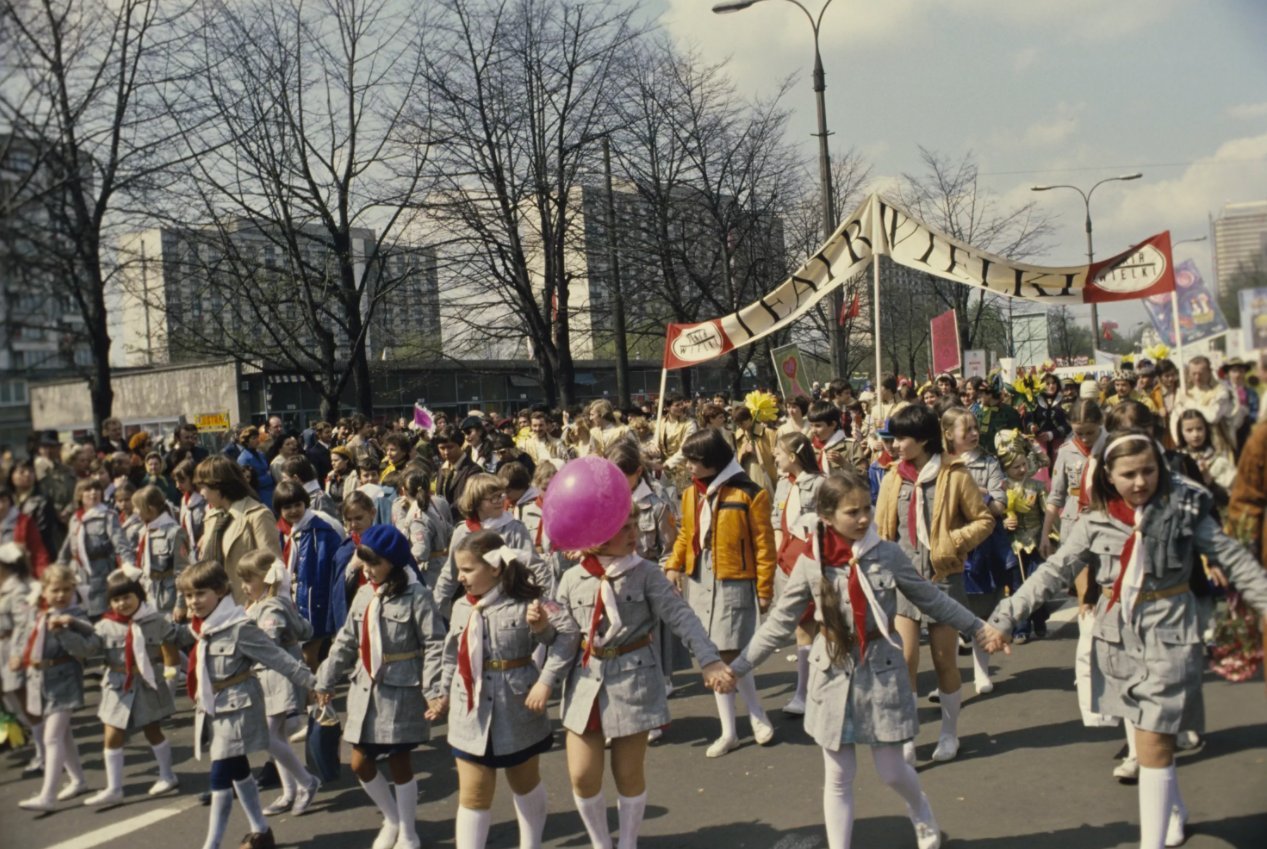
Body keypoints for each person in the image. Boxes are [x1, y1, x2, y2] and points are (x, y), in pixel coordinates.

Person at [981, 430, 1267, 849]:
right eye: (1129, 474)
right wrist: (1007, 617)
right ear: (1109, 476)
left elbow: (1236, 561)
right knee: (1150, 735)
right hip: (1118, 637)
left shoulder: (1183, 511)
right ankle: (1173, 808)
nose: (1140, 482)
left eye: (1149, 471)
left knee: (1153, 735)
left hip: (1171, 634)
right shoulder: (1095, 523)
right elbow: (1053, 571)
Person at [732, 471, 1005, 849]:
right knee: (839, 775)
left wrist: (978, 627)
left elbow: (930, 598)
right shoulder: (812, 561)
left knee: (892, 770)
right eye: (852, 512)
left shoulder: (887, 553)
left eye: (866, 508)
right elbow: (780, 622)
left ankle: (920, 808)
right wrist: (738, 668)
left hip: (880, 669)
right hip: (831, 672)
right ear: (826, 517)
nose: (863, 518)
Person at [558, 507, 734, 849]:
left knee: (627, 773)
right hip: (585, 681)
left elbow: (682, 617)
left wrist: (709, 659)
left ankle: (626, 842)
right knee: (581, 774)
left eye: (635, 525)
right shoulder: (572, 578)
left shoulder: (646, 573)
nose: (633, 533)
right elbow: (560, 637)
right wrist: (539, 630)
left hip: (632, 679)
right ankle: (600, 842)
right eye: (623, 527)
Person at [439, 531, 579, 849]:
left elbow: (567, 636)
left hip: (516, 706)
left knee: (524, 782)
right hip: (469, 709)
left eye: (467, 569)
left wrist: (545, 673)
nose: (460, 577)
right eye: (458, 570)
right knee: (473, 793)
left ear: (495, 568)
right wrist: (441, 691)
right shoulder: (462, 606)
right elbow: (450, 653)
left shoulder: (530, 601)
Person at [874, 404, 994, 764]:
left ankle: (949, 733)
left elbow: (984, 520)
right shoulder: (893, 476)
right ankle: (909, 736)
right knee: (905, 659)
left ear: (923, 439)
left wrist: (953, 543)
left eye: (901, 438)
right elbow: (883, 529)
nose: (894, 445)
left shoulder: (955, 474)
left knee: (944, 660)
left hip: (942, 580)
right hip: (904, 581)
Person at [315, 526, 446, 849]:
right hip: (365, 687)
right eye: (365, 563)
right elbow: (346, 640)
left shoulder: (417, 596)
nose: (368, 570)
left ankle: (409, 832)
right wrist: (325, 678)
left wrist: (433, 689)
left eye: (374, 564)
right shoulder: (364, 594)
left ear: (394, 563)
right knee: (360, 761)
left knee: (400, 761)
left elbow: (434, 643)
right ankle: (391, 818)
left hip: (400, 688)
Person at [178, 559, 317, 849]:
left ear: (221, 591)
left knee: (220, 775)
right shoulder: (203, 627)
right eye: (189, 595)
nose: (194, 601)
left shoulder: (239, 627)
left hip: (239, 709)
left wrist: (314, 684)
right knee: (238, 769)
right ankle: (261, 831)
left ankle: (211, 844)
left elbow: (277, 657)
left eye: (200, 593)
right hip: (215, 709)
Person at [665, 428, 776, 756]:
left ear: (713, 461)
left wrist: (766, 588)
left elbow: (764, 544)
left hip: (733, 579)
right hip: (699, 580)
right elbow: (686, 534)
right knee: (712, 655)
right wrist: (674, 564)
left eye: (695, 461)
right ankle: (736, 725)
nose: (689, 467)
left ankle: (748, 719)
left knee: (731, 654)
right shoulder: (690, 494)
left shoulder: (749, 493)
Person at [1039, 399, 1115, 729]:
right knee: (1086, 601)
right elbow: (1056, 495)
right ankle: (1088, 664)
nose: (1084, 438)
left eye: (1090, 432)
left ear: (1102, 424)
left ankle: (1106, 659)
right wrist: (1046, 533)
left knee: (1109, 598)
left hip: (1111, 529)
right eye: (1078, 432)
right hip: (1076, 529)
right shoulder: (1067, 451)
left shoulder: (1114, 448)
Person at [83, 571, 182, 805]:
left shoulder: (155, 621)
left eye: (127, 597)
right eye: (116, 600)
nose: (122, 603)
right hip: (117, 685)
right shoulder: (106, 626)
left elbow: (171, 649)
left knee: (152, 730)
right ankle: (114, 788)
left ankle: (168, 775)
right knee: (112, 733)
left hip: (147, 683)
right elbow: (89, 649)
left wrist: (170, 679)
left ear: (139, 596)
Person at [236, 550, 320, 816]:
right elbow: (305, 629)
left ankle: (307, 782)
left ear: (266, 579)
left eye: (249, 579)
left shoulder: (271, 606)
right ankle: (289, 791)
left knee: (269, 737)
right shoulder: (266, 604)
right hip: (268, 676)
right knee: (277, 736)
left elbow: (268, 643)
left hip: (279, 675)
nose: (244, 586)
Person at [13, 564, 95, 810]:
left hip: (65, 678)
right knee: (64, 733)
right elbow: (27, 638)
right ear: (44, 591)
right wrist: (19, 656)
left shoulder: (75, 615)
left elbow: (90, 639)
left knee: (51, 737)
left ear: (73, 590)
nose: (61, 595)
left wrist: (67, 626)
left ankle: (47, 796)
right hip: (42, 679)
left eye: (66, 590)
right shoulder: (39, 613)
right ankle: (78, 779)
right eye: (55, 590)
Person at [771, 432, 825, 716]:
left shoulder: (819, 484)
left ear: (793, 457)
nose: (774, 456)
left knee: (814, 626)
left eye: (779, 452)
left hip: (811, 564)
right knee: (800, 627)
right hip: (786, 565)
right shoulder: (782, 485)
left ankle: (810, 691)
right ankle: (807, 689)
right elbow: (776, 519)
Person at [194, 455, 281, 601]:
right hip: (216, 609)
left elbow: (274, 571)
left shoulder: (257, 515)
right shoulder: (212, 517)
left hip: (246, 609)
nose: (201, 493)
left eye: (203, 486)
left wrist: (262, 609)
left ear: (218, 485)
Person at [994, 430, 1049, 642]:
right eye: (1016, 467)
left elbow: (1047, 513)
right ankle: (1021, 628)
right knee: (1017, 586)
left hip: (1035, 541)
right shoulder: (1001, 487)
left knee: (1036, 583)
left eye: (1024, 464)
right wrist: (1005, 521)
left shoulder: (1036, 485)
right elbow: (994, 511)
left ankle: (1040, 616)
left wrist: (1048, 537)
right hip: (1013, 544)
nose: (1022, 469)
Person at [57, 478, 133, 617]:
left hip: (101, 575)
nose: (93, 493)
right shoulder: (75, 518)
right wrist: (56, 573)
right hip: (78, 577)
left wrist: (129, 567)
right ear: (80, 494)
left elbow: (121, 545)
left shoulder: (108, 516)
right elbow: (66, 550)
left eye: (97, 489)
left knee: (101, 616)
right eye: (88, 489)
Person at [132, 484, 193, 620]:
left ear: (150, 509)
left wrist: (181, 604)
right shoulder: (144, 531)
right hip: (149, 596)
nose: (135, 511)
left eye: (138, 507)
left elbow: (183, 572)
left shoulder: (174, 533)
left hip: (167, 600)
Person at [399, 469, 452, 592]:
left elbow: (421, 552)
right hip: (442, 565)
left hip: (430, 573)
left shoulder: (417, 515)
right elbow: (450, 530)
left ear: (404, 491)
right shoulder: (432, 505)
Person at [1174, 356, 1236, 458]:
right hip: (1190, 449)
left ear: (1209, 372)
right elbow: (1176, 420)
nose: (1197, 377)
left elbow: (1212, 417)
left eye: (1201, 373)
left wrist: (1189, 402)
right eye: (1194, 373)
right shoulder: (1184, 393)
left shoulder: (1220, 392)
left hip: (1216, 446)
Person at [1174, 409, 1235, 508]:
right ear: (1181, 432)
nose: (1195, 434)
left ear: (1206, 429)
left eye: (1199, 429)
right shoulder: (1176, 460)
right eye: (1189, 430)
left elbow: (1230, 498)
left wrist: (1210, 481)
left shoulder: (1219, 462)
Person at [0, 483, 50, 576]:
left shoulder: (24, 522)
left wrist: (43, 577)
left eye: (4, 501)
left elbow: (38, 552)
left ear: (10, 502)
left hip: (17, 578)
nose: (1, 506)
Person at [436, 425, 482, 523]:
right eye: (442, 448)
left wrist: (444, 514)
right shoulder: (442, 469)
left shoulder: (473, 470)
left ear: (460, 445)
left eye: (450, 447)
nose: (446, 452)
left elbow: (467, 500)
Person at [236, 426, 276, 509]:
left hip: (270, 491)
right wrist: (267, 477)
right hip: (258, 494)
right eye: (253, 438)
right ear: (246, 441)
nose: (257, 440)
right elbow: (247, 480)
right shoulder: (243, 458)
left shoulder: (260, 454)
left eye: (257, 437)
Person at [807, 401, 851, 474]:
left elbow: (863, 476)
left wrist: (844, 464)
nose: (813, 430)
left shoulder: (850, 446)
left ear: (833, 424)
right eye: (811, 425)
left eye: (818, 426)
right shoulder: (810, 449)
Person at [174, 459, 207, 554]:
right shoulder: (184, 499)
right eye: (176, 481)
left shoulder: (205, 499)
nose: (177, 485)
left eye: (182, 481)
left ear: (193, 478)